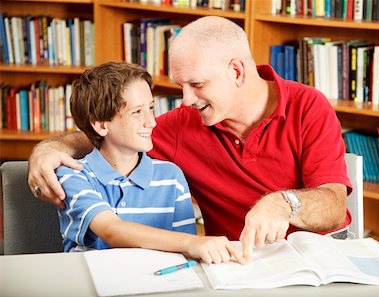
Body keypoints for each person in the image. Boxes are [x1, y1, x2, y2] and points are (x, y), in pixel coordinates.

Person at [28, 16, 352, 262]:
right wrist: (51, 148)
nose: (185, 100)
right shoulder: (186, 123)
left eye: (196, 84)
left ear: (237, 71)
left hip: (318, 256)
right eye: (181, 86)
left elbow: (334, 207)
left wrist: (283, 203)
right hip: (241, 262)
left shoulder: (308, 106)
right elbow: (117, 132)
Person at [54, 61, 245, 264]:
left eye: (151, 108)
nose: (152, 121)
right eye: (137, 112)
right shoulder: (73, 174)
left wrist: (192, 247)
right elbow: (111, 231)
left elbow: (185, 254)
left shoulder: (171, 177)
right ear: (101, 125)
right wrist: (192, 243)